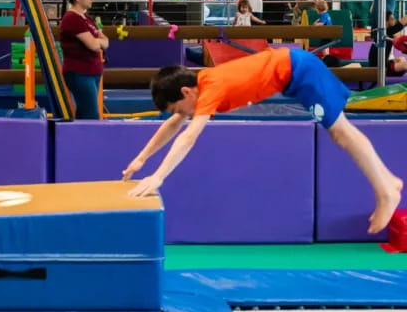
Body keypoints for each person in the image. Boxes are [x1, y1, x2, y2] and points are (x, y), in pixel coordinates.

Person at [122, 48, 403, 235]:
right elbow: (174, 125)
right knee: (340, 131)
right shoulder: (202, 84)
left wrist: (158, 177)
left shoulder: (210, 89)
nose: (181, 114)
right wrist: (141, 158)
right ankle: (387, 184)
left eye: (179, 108)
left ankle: (386, 189)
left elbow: (189, 136)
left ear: (185, 91)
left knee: (341, 132)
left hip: (301, 71)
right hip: (295, 71)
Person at [59, 0, 109, 119]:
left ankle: (80, 139)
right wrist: (98, 42)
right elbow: (94, 45)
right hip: (80, 72)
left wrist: (98, 41)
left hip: (92, 72)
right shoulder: (72, 19)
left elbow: (105, 41)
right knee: (91, 114)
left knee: (86, 112)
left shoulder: (86, 18)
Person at [369, 11, 407, 76]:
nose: (394, 20)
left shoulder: (385, 33)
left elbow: (402, 25)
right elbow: (399, 25)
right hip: (380, 67)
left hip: (383, 62)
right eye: (392, 19)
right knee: (405, 65)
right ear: (386, 21)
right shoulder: (385, 33)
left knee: (402, 58)